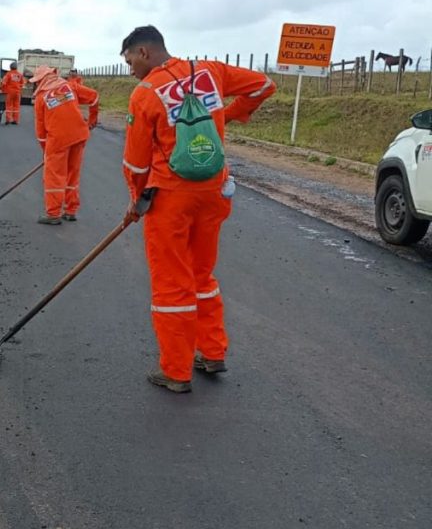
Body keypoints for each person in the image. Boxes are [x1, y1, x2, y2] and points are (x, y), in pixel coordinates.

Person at [120, 25, 275, 393]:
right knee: (202, 275)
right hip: (215, 191)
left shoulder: (144, 94)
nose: (130, 71)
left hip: (171, 198)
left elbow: (137, 165)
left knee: (172, 283)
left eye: (129, 62)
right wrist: (233, 114)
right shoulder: (210, 71)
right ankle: (212, 352)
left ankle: (176, 371)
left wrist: (135, 201)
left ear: (143, 52)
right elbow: (264, 85)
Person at [31, 65, 89, 225]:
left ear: (41, 81)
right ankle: (70, 211)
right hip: (79, 135)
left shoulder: (41, 98)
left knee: (54, 177)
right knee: (73, 173)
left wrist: (46, 153)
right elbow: (94, 97)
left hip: (57, 140)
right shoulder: (69, 86)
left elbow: (41, 132)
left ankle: (53, 214)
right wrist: (92, 120)